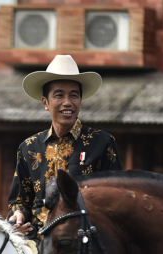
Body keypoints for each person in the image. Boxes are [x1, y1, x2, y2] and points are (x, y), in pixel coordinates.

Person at [8, 55, 122, 243]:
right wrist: (18, 216)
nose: (67, 102)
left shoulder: (102, 142)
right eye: (59, 95)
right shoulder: (28, 147)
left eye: (74, 95)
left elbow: (116, 199)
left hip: (84, 245)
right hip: (37, 244)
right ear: (45, 103)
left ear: (80, 101)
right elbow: (19, 200)